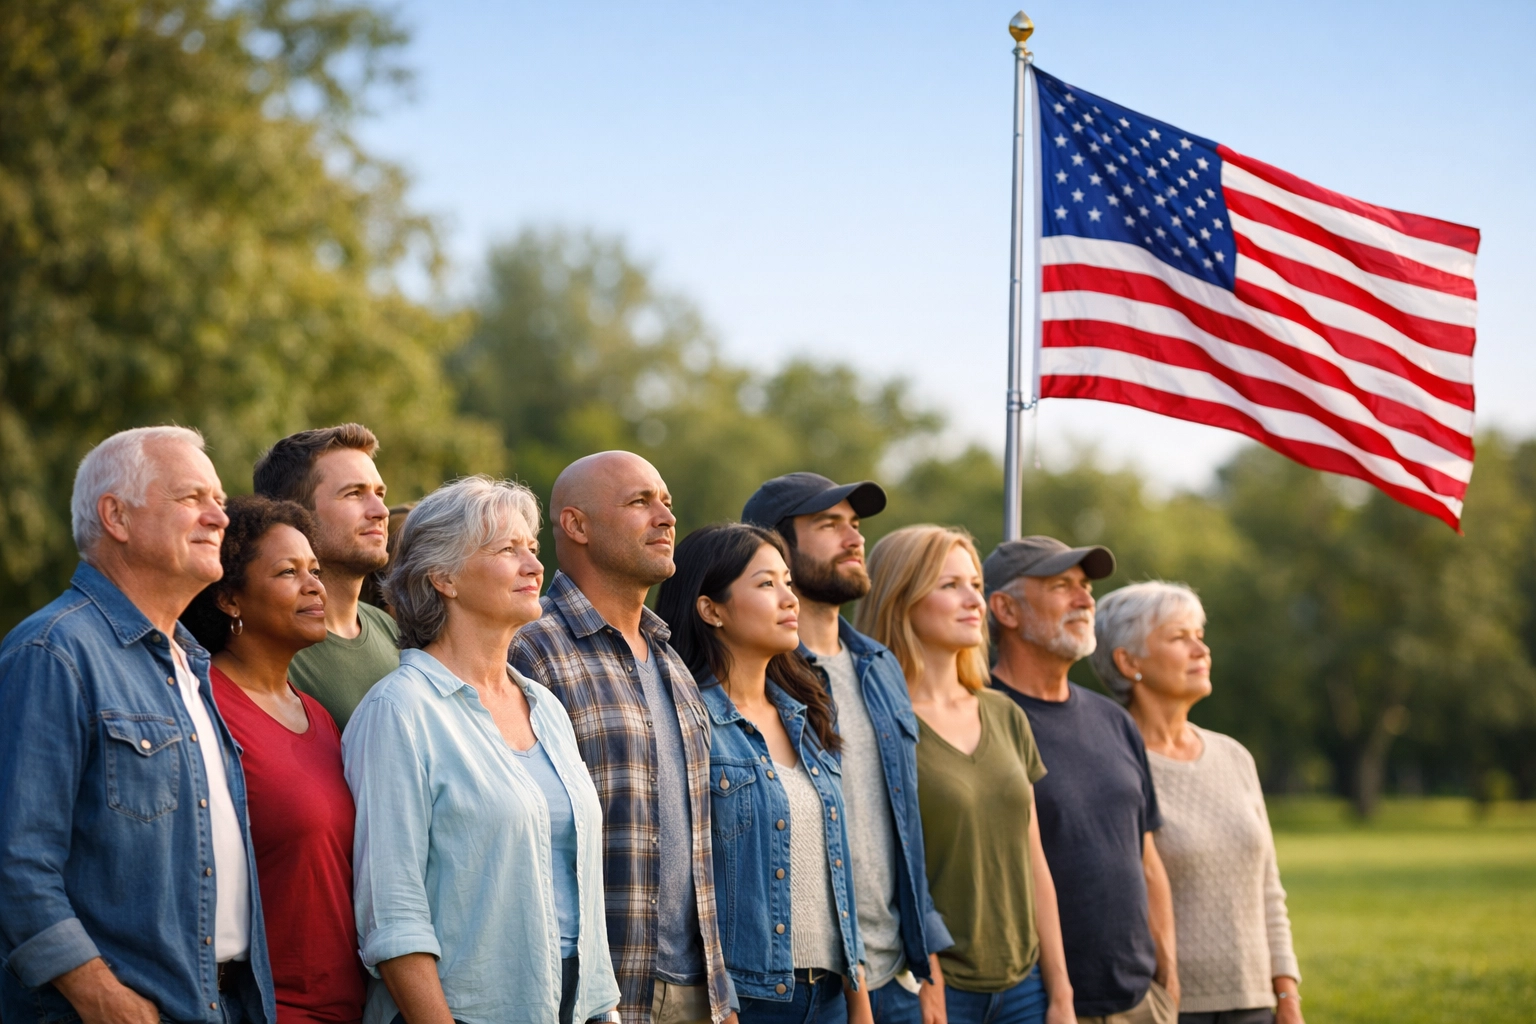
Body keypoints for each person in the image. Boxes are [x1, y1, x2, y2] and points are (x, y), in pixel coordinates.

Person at [0, 426, 275, 1024]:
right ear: (116, 517)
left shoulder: (190, 663)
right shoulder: (53, 653)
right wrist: (100, 996)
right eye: (191, 499)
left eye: (220, 502)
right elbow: (16, 859)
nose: (218, 519)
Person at [345, 476, 620, 1024]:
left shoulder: (544, 705)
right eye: (506, 549)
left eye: (533, 549)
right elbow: (392, 914)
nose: (534, 566)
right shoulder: (399, 711)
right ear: (442, 577)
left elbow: (581, 893)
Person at [509, 452, 736, 1024]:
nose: (665, 517)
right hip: (591, 993)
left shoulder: (671, 660)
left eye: (666, 503)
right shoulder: (530, 649)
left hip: (694, 990)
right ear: (576, 526)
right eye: (640, 502)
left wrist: (720, 994)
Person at [742, 474, 953, 1023]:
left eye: (855, 526)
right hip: (814, 983)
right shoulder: (760, 674)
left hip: (898, 974)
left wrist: (927, 964)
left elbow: (904, 825)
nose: (854, 539)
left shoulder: (881, 667)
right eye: (829, 525)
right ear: (776, 545)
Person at [858, 526, 1075, 1024]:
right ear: (901, 597)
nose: (974, 599)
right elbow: (882, 872)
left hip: (1025, 986)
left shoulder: (1004, 713)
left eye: (975, 584)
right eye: (950, 584)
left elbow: (1034, 859)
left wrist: (1060, 992)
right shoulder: (878, 721)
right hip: (932, 991)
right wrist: (927, 976)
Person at [657, 524, 869, 1024]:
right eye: (766, 584)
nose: (789, 599)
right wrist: (721, 1005)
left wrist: (859, 1002)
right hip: (749, 1000)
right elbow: (684, 884)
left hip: (833, 994)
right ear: (711, 609)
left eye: (788, 582)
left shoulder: (808, 714)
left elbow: (839, 868)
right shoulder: (689, 720)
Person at [181, 495, 367, 1024]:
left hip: (348, 1006)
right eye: (288, 572)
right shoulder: (203, 705)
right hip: (261, 1007)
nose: (315, 586)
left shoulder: (318, 716)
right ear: (230, 600)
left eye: (315, 570)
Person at [985, 538, 1178, 1024]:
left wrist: (1168, 977)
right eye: (1061, 586)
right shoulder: (979, 716)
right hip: (1038, 1004)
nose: (1085, 599)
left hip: (1142, 1001)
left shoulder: (1114, 720)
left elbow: (1147, 858)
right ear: (1005, 609)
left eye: (1086, 587)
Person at [1090, 584, 1302, 1024]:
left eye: (1199, 633)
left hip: (1254, 1003)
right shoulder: (1107, 762)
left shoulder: (1234, 756)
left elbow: (1268, 888)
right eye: (1178, 637)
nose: (1200, 649)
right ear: (1128, 662)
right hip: (1160, 1008)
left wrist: (1286, 995)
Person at [253, 424, 398, 730]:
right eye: (354, 494)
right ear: (294, 514)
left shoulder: (388, 629)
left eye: (380, 493)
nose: (381, 511)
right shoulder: (269, 647)